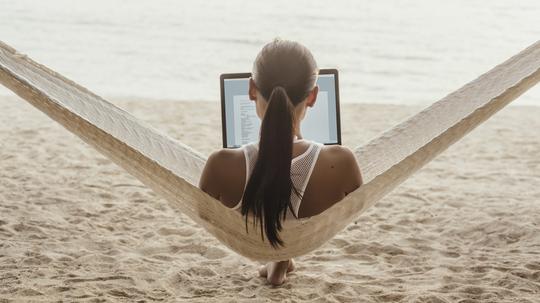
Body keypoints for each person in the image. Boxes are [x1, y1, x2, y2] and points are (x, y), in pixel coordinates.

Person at [199, 39, 362, 286]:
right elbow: (354, 211)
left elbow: (205, 215)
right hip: (304, 229)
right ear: (313, 96)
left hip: (255, 235)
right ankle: (282, 257)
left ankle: (278, 259)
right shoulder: (341, 163)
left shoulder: (220, 165)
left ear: (252, 89)